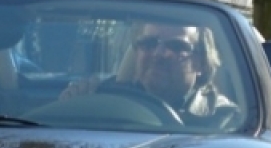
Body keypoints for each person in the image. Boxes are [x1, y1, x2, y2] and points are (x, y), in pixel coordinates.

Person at [63, 19, 238, 123]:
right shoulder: (101, 100)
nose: (158, 54)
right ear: (137, 51)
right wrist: (73, 107)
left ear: (201, 62)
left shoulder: (224, 120)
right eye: (148, 43)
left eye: (176, 46)